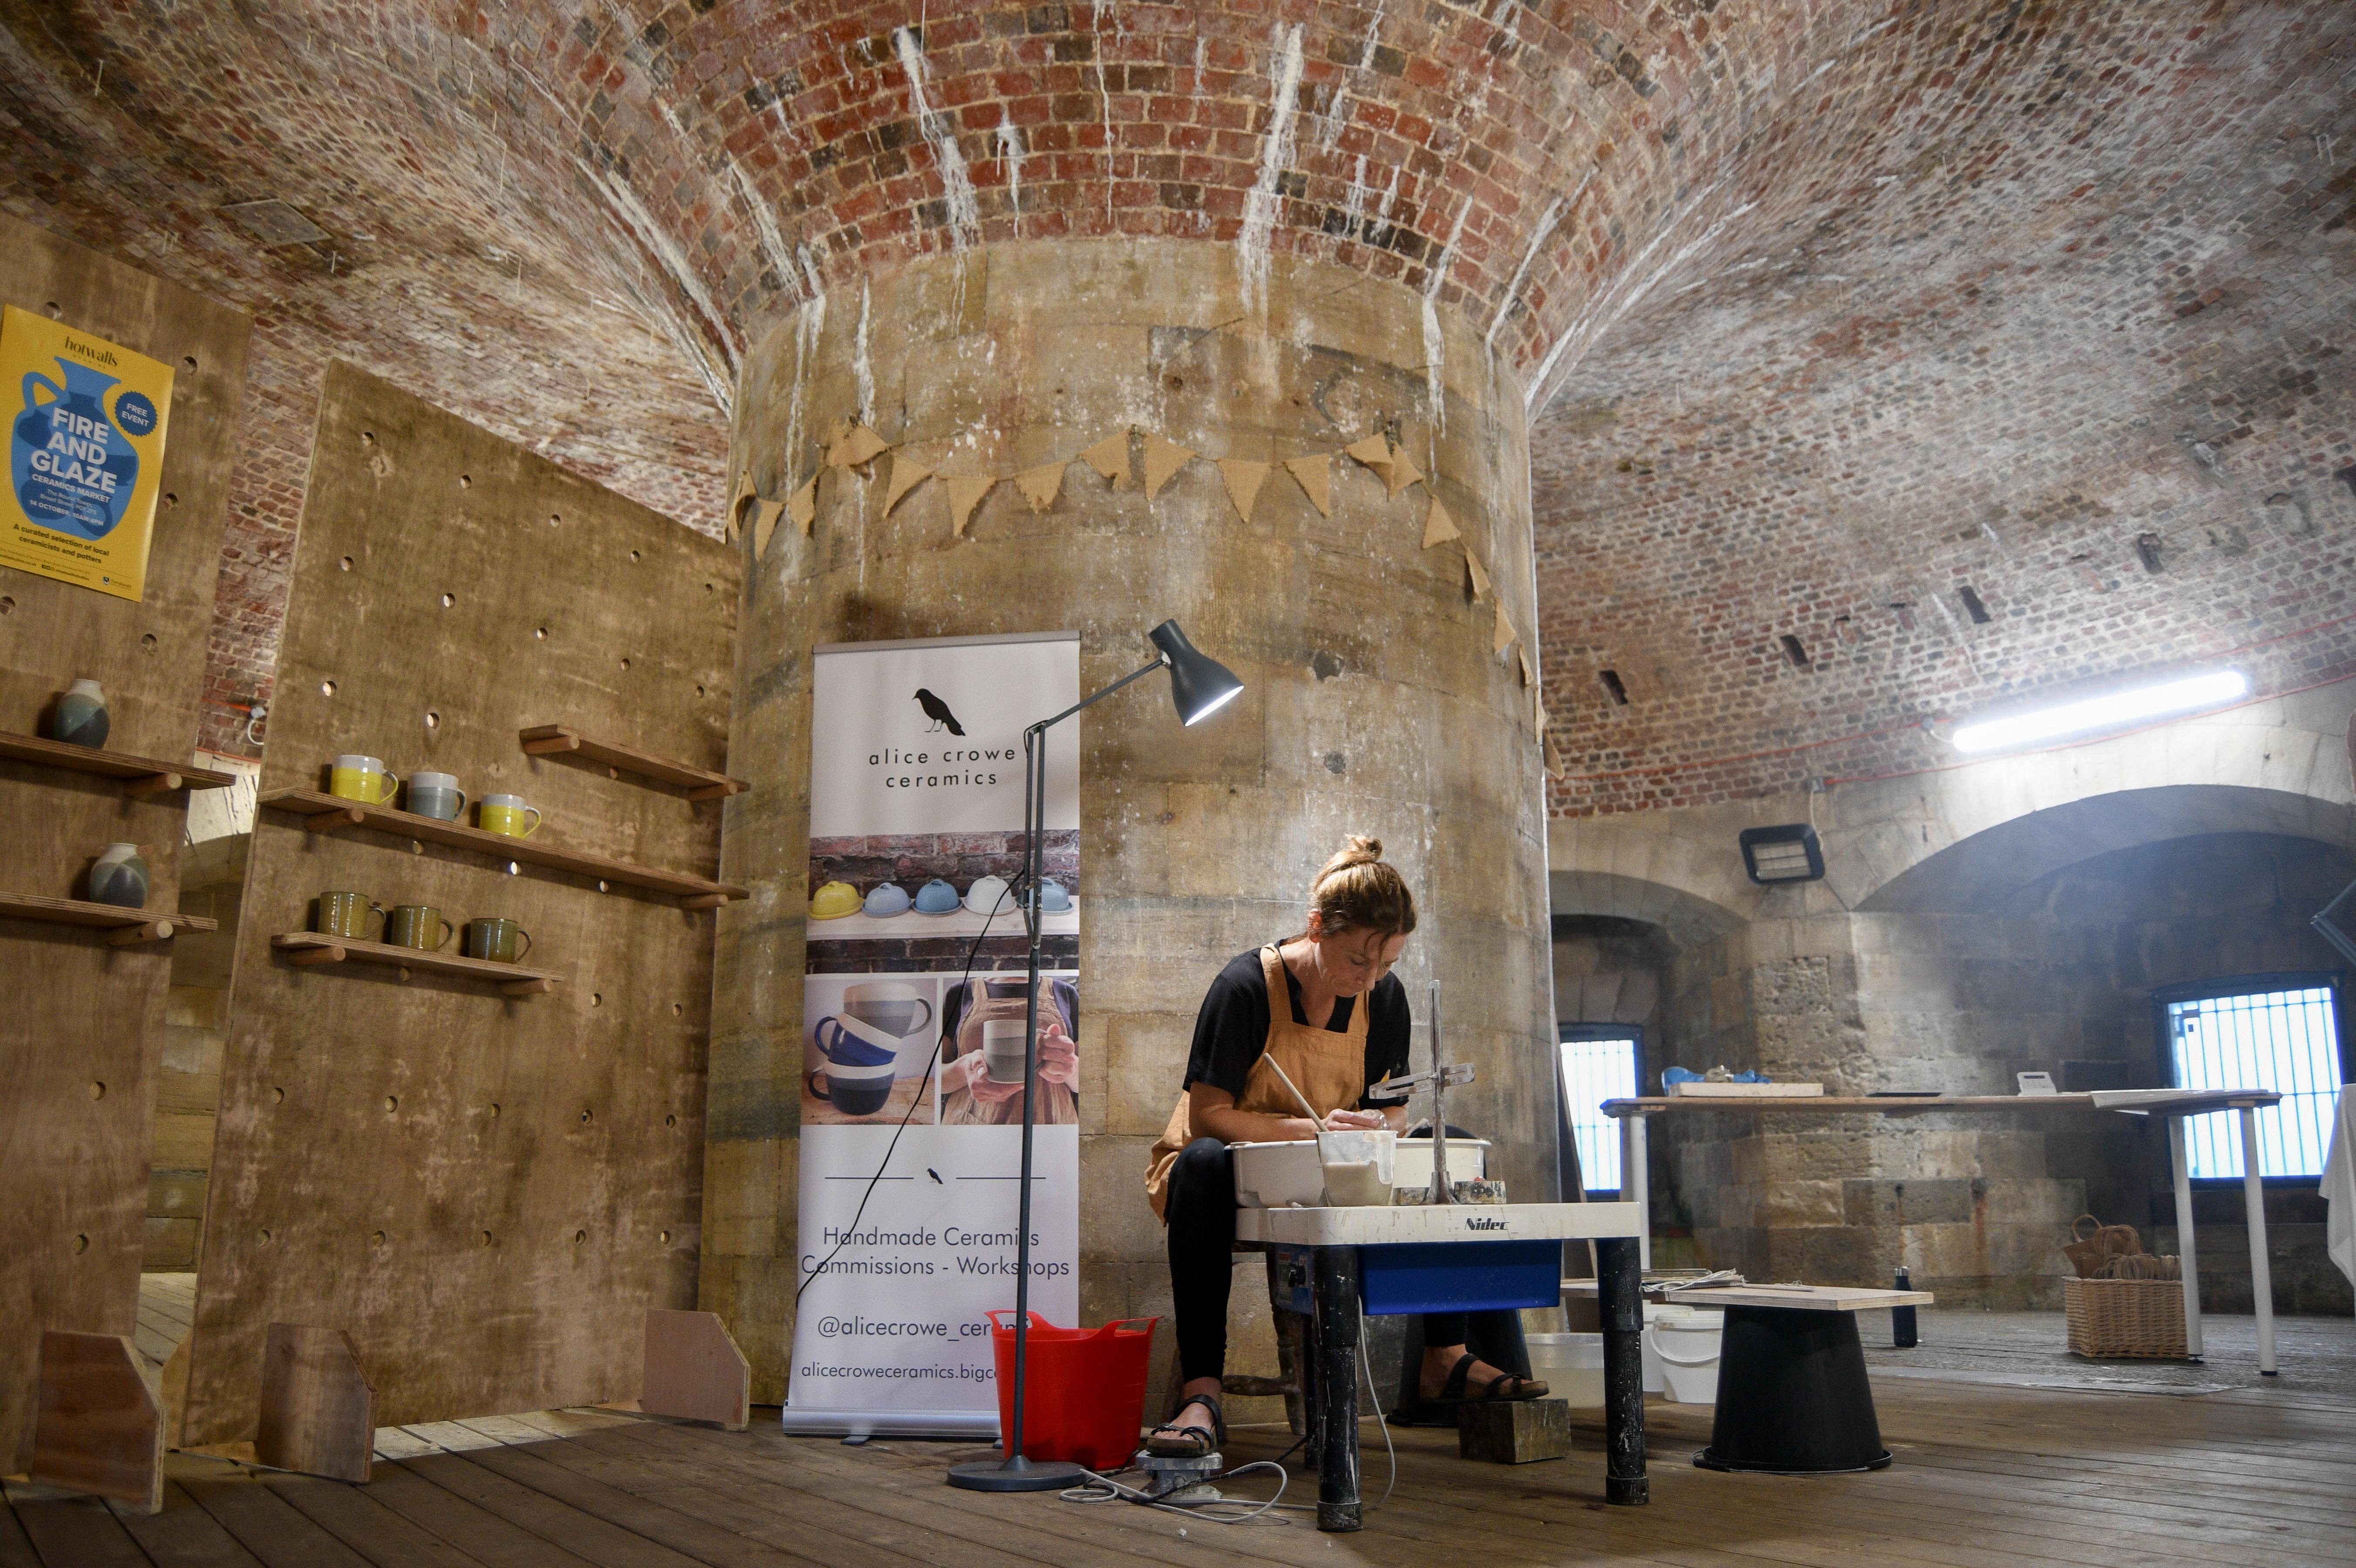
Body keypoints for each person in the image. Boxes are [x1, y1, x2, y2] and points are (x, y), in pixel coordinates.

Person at [1138, 836, 1544, 1457]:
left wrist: (1380, 1129)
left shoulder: (1383, 996)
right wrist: (1309, 1129)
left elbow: (1391, 1107)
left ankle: (1448, 1356)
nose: (1371, 978)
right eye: (1359, 961)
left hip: (1323, 1162)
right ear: (1316, 928)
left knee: (1450, 1147)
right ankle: (1203, 1392)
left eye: (1385, 964)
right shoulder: (1246, 986)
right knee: (1198, 1166)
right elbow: (1210, 1115)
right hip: (1235, 1164)